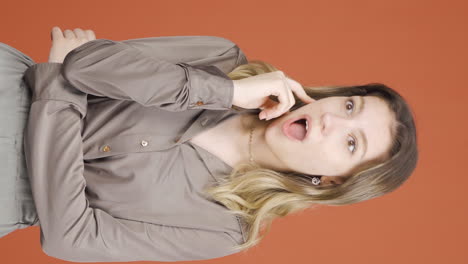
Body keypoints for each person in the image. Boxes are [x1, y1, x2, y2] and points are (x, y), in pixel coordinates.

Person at [0, 27, 418, 262]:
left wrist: (57, 89)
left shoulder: (221, 230)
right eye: (349, 104)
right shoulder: (223, 61)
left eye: (351, 142)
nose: (332, 120)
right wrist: (226, 94)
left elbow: (69, 238)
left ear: (330, 182)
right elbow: (85, 63)